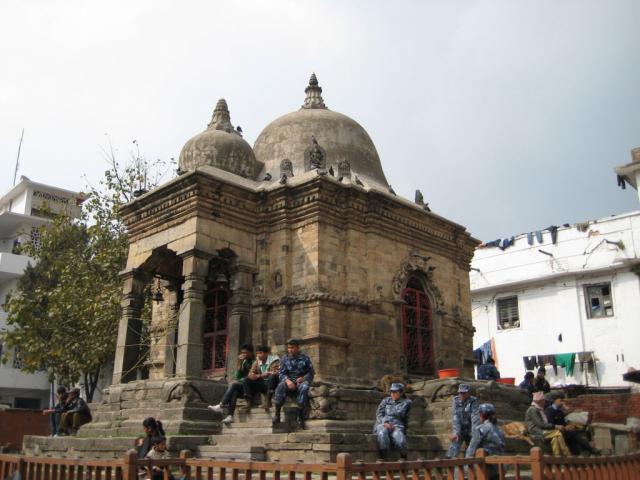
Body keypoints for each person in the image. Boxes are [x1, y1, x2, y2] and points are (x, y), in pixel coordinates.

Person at [272, 338, 314, 429]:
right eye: (289, 348)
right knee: (280, 386)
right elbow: (281, 373)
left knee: (305, 387)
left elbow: (311, 373)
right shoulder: (284, 359)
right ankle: (277, 413)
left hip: (300, 382)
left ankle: (300, 417)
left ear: (297, 348)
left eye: (292, 347)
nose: (290, 350)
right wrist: (287, 381)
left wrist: (303, 378)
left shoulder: (305, 359)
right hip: (288, 382)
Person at [208, 344, 255, 424]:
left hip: (252, 386)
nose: (243, 354)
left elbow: (251, 376)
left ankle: (221, 405)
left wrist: (243, 378)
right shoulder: (244, 362)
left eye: (245, 353)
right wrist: (239, 363)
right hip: (243, 386)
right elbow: (237, 376)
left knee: (233, 385)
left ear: (250, 353)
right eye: (242, 353)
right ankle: (230, 416)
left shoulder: (254, 361)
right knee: (234, 392)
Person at [373, 383, 412, 461]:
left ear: (400, 393)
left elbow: (407, 418)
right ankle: (383, 456)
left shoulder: (407, 403)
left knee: (400, 438)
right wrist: (385, 422)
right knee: (382, 433)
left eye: (395, 392)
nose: (393, 394)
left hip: (397, 425)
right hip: (383, 423)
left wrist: (405, 428)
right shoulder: (386, 401)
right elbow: (379, 413)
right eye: (391, 392)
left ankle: (403, 456)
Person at [466, 403, 505, 480]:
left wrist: (466, 465)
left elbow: (471, 450)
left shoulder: (481, 429)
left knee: (457, 471)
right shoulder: (500, 430)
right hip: (500, 468)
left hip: (486, 469)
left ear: (481, 414)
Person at [524, 391, 570, 456]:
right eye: (544, 401)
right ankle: (567, 455)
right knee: (558, 433)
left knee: (555, 438)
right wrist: (555, 426)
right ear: (540, 401)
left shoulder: (539, 409)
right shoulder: (533, 409)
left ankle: (557, 457)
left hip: (543, 430)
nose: (545, 402)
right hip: (535, 430)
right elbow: (540, 424)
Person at [447, 384, 480, 458]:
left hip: (471, 428)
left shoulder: (473, 401)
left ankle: (469, 466)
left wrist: (474, 433)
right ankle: (450, 464)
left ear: (468, 392)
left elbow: (475, 417)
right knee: (454, 443)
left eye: (464, 393)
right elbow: (456, 417)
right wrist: (456, 433)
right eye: (460, 393)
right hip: (460, 428)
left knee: (473, 448)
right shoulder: (456, 400)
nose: (462, 395)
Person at [243, 345, 280, 409]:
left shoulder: (274, 360)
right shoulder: (257, 361)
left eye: (260, 353)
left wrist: (258, 376)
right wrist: (259, 375)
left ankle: (268, 401)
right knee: (246, 379)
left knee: (272, 377)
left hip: (273, 383)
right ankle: (249, 402)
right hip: (263, 383)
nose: (258, 355)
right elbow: (250, 374)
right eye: (257, 353)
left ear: (266, 353)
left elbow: (273, 372)